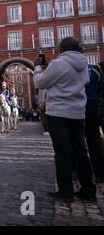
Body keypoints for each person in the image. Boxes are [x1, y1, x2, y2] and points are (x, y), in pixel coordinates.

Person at [33, 37, 96, 202]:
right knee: (81, 151)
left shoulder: (58, 63)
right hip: (78, 112)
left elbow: (41, 83)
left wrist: (38, 68)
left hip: (59, 113)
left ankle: (65, 191)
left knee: (62, 153)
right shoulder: (83, 65)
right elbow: (83, 81)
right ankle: (89, 189)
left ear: (62, 48)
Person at [84, 64, 104, 182]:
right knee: (94, 140)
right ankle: (99, 173)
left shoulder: (68, 68)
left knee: (77, 142)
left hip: (76, 108)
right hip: (93, 107)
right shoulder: (95, 70)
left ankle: (81, 174)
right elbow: (100, 87)